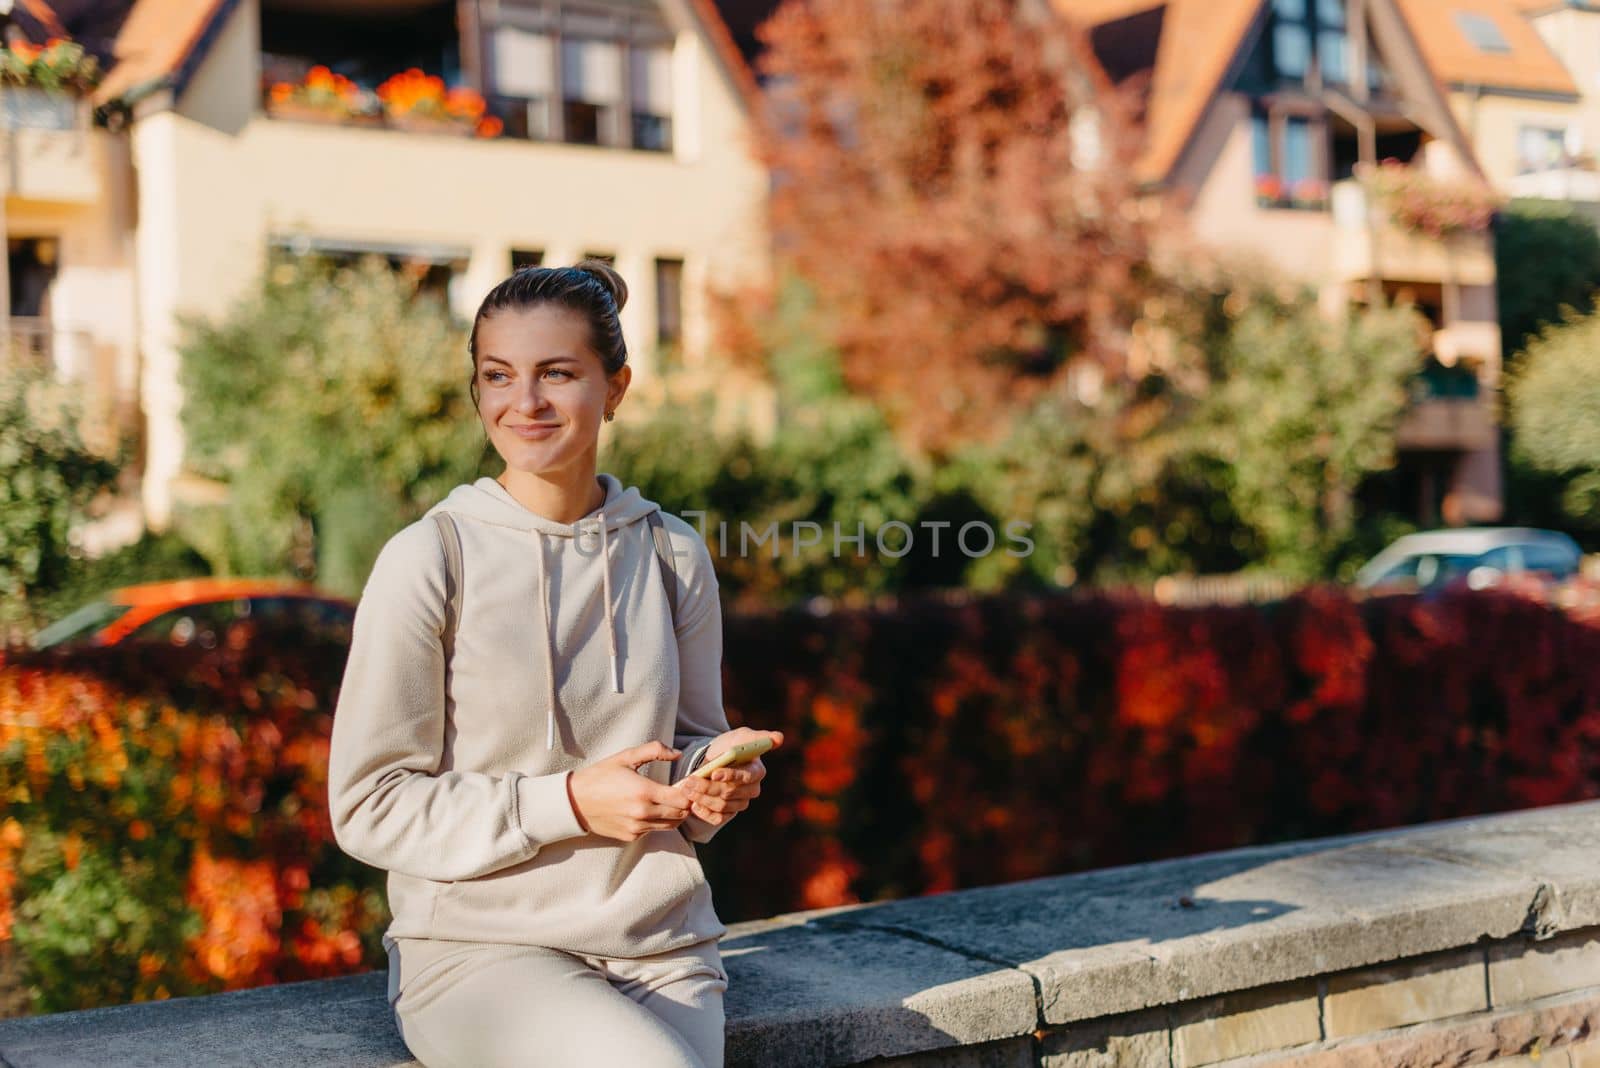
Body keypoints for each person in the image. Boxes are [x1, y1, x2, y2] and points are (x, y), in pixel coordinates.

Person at [327, 260, 783, 1068]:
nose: (523, 402)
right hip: (480, 951)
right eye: (497, 376)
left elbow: (683, 749)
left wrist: (712, 779)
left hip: (662, 949)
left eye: (557, 374)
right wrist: (568, 802)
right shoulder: (432, 558)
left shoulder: (670, 550)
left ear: (616, 388)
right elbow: (368, 806)